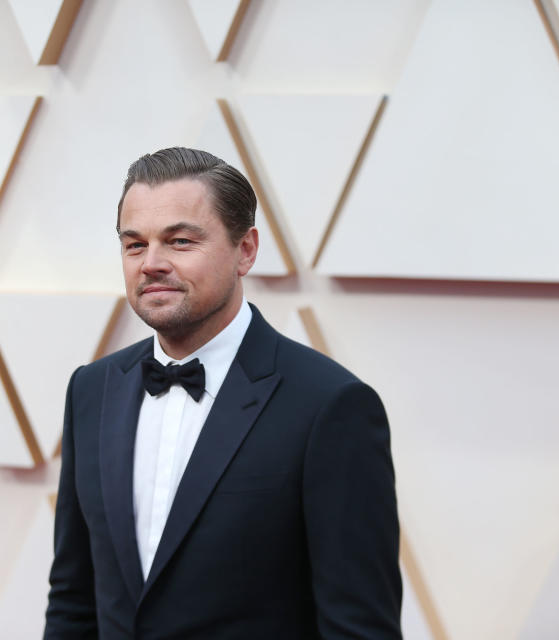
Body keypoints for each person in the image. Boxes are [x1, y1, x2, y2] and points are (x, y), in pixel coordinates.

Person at [45, 147, 401, 639]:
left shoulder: (330, 407)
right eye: (134, 245)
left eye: (181, 241)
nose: (151, 264)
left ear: (246, 250)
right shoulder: (90, 390)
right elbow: (72, 601)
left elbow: (358, 628)